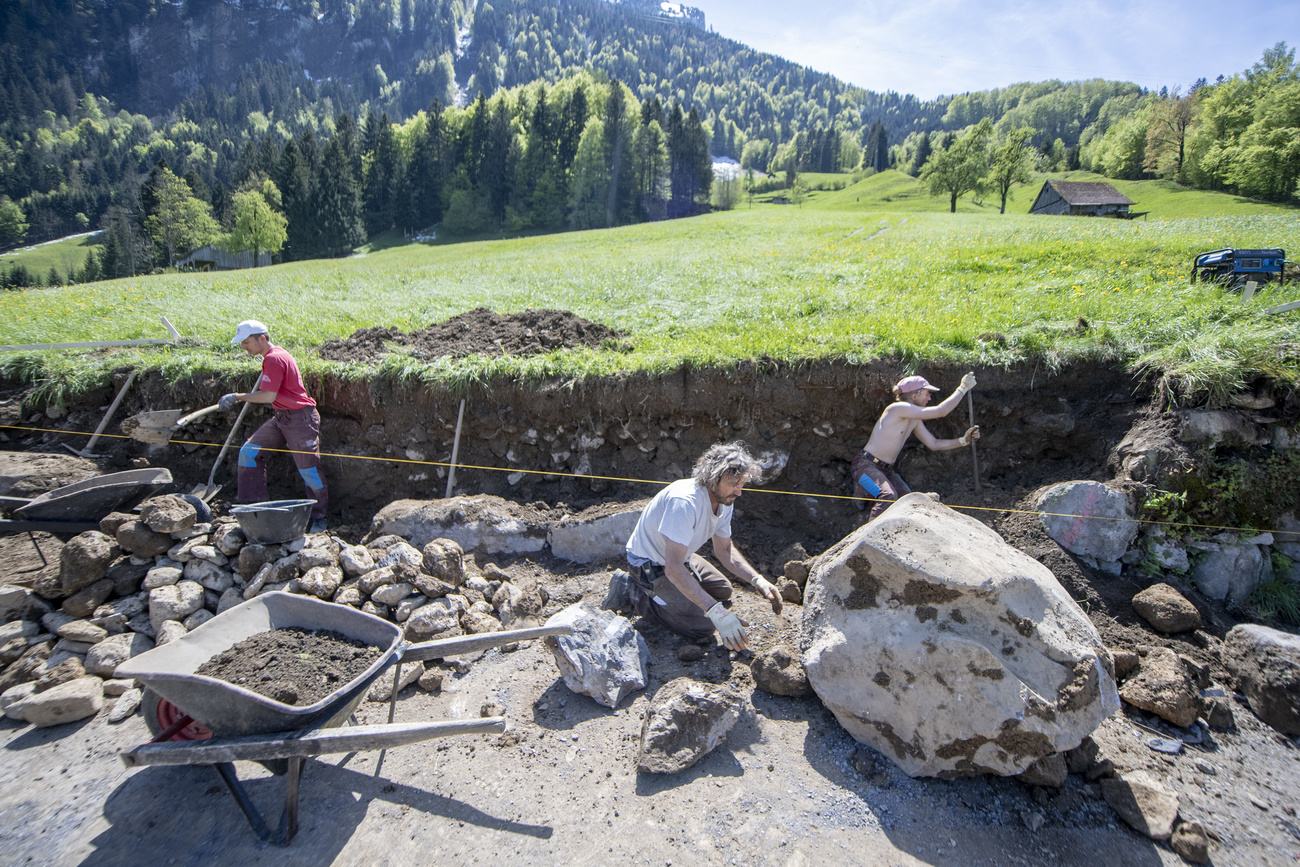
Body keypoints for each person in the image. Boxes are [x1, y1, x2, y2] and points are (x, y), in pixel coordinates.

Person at [624, 442, 782, 651]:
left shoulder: (725, 500)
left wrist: (756, 579)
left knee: (723, 591)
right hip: (649, 564)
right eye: (734, 483)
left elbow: (724, 550)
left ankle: (673, 594)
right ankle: (634, 593)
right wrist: (714, 611)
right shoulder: (685, 502)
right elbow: (673, 567)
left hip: (679, 555)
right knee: (703, 626)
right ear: (713, 477)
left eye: (741, 484)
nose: (739, 491)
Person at [222, 320, 328, 533]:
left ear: (262, 338)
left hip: (300, 419)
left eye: (246, 342)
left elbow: (268, 395)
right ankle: (254, 512)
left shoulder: (274, 358)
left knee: (309, 470)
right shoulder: (271, 357)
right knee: (249, 453)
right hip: (282, 418)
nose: (244, 347)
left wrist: (237, 397)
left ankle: (320, 518)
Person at [852, 372, 980, 521]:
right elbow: (941, 411)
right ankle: (868, 539)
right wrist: (963, 387)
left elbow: (934, 444)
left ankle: (867, 494)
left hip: (885, 470)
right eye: (927, 394)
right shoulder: (897, 408)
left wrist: (963, 441)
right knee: (887, 496)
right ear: (914, 395)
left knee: (908, 502)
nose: (929, 398)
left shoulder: (914, 419)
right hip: (864, 467)